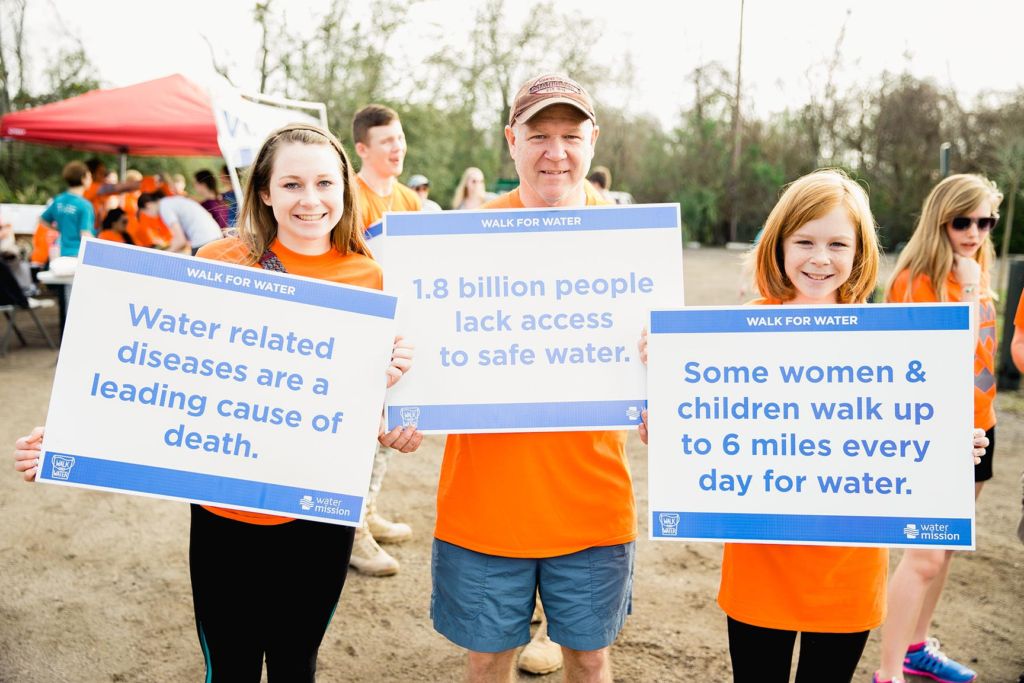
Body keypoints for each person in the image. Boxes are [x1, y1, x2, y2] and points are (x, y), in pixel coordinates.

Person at [14, 122, 423, 682]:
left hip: (317, 512)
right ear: (264, 191)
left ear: (345, 191)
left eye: (326, 183)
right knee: (228, 668)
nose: (311, 200)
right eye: (293, 184)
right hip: (223, 509)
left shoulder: (370, 276)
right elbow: (151, 368)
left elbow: (358, 402)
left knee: (294, 665)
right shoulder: (216, 259)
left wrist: (393, 414)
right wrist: (67, 440)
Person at [635, 169, 987, 683]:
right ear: (779, 245)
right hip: (760, 566)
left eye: (837, 244)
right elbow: (703, 428)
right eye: (805, 241)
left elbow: (905, 429)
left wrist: (949, 445)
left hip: (847, 570)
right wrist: (670, 422)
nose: (820, 258)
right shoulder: (736, 332)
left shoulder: (886, 339)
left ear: (860, 251)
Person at [430, 73, 633, 683]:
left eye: (571, 135)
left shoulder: (631, 240)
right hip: (485, 499)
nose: (556, 151)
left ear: (593, 140)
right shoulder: (462, 240)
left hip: (590, 500)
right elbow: (424, 354)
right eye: (538, 134)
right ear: (510, 140)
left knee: (590, 657)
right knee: (487, 657)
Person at [875, 174, 1003, 683]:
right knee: (923, 554)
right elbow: (932, 362)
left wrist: (974, 280)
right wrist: (969, 289)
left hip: (980, 425)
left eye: (985, 221)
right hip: (935, 433)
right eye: (962, 221)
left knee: (946, 546)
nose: (974, 231)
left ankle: (915, 648)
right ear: (940, 220)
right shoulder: (916, 280)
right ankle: (888, 673)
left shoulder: (977, 268)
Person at [348, 103, 422, 576]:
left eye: (400, 138)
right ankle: (351, 530)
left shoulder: (411, 202)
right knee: (359, 433)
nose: (398, 148)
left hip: (400, 335)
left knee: (387, 430)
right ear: (362, 149)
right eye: (386, 142)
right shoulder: (348, 198)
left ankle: (368, 511)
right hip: (362, 336)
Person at [137, 192, 222, 255]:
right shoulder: (171, 201)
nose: (149, 216)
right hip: (215, 236)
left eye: (145, 213)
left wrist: (161, 255)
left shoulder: (164, 208)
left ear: (148, 205)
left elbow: (180, 241)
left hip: (204, 241)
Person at [41, 161, 95, 257]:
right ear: (83, 179)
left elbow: (43, 220)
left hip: (62, 252)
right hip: (79, 254)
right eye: (90, 177)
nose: (91, 180)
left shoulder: (59, 200)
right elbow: (85, 234)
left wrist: (60, 228)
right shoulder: (84, 205)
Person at [82, 158, 141, 223]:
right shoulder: (93, 187)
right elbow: (122, 188)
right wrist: (148, 183)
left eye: (105, 173)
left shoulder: (93, 188)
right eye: (101, 173)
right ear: (91, 174)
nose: (104, 176)